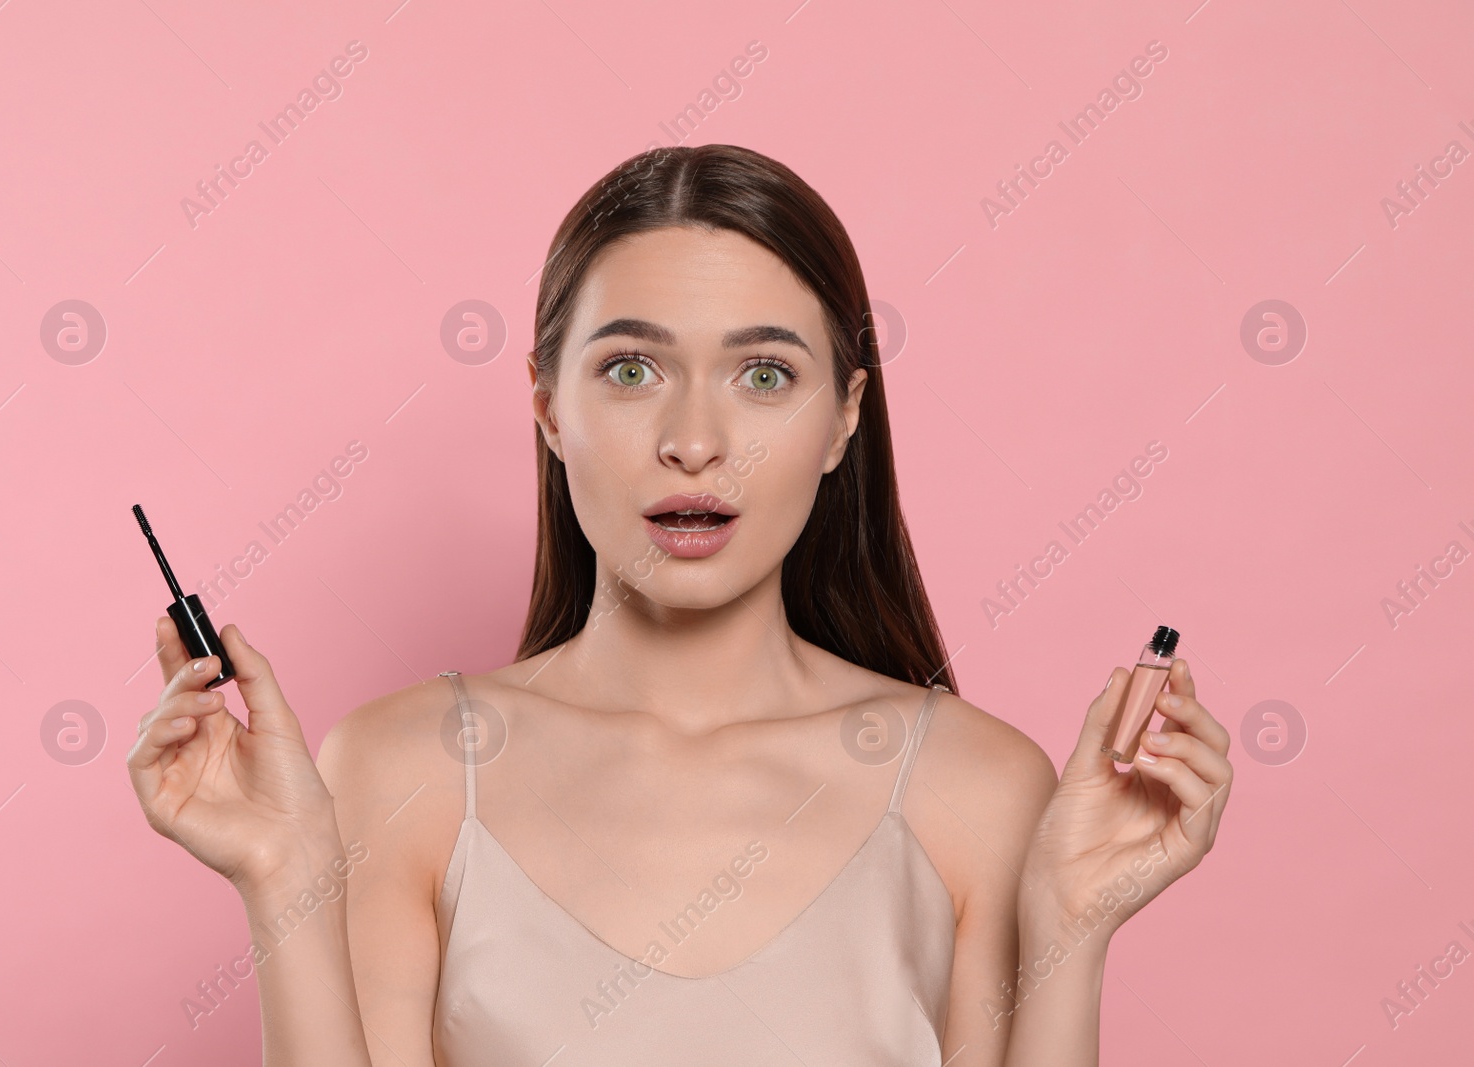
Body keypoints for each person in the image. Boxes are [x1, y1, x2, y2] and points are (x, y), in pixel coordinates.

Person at [128, 144, 1232, 1066]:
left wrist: (1074, 926)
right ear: (547, 406)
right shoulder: (398, 765)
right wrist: (280, 880)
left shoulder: (977, 787)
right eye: (629, 371)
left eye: (763, 374)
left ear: (845, 415)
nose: (693, 440)